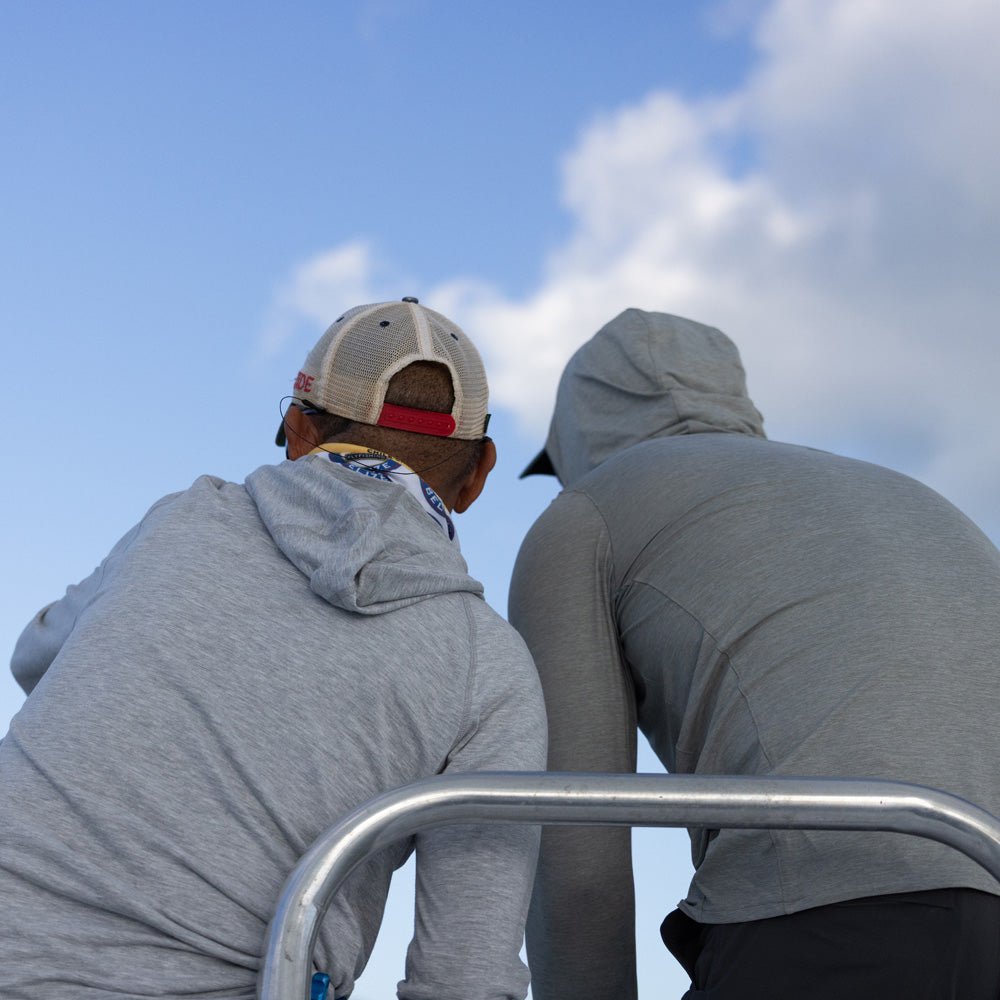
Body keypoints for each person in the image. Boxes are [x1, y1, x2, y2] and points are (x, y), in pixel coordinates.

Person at [0, 298, 546, 1000]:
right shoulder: (488, 666)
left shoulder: (182, 519)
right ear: (479, 473)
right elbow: (465, 978)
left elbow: (34, 659)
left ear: (297, 428)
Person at [510, 308, 1000, 1000]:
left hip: (821, 915)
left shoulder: (586, 511)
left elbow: (575, 843)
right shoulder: (911, 494)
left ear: (579, 438)